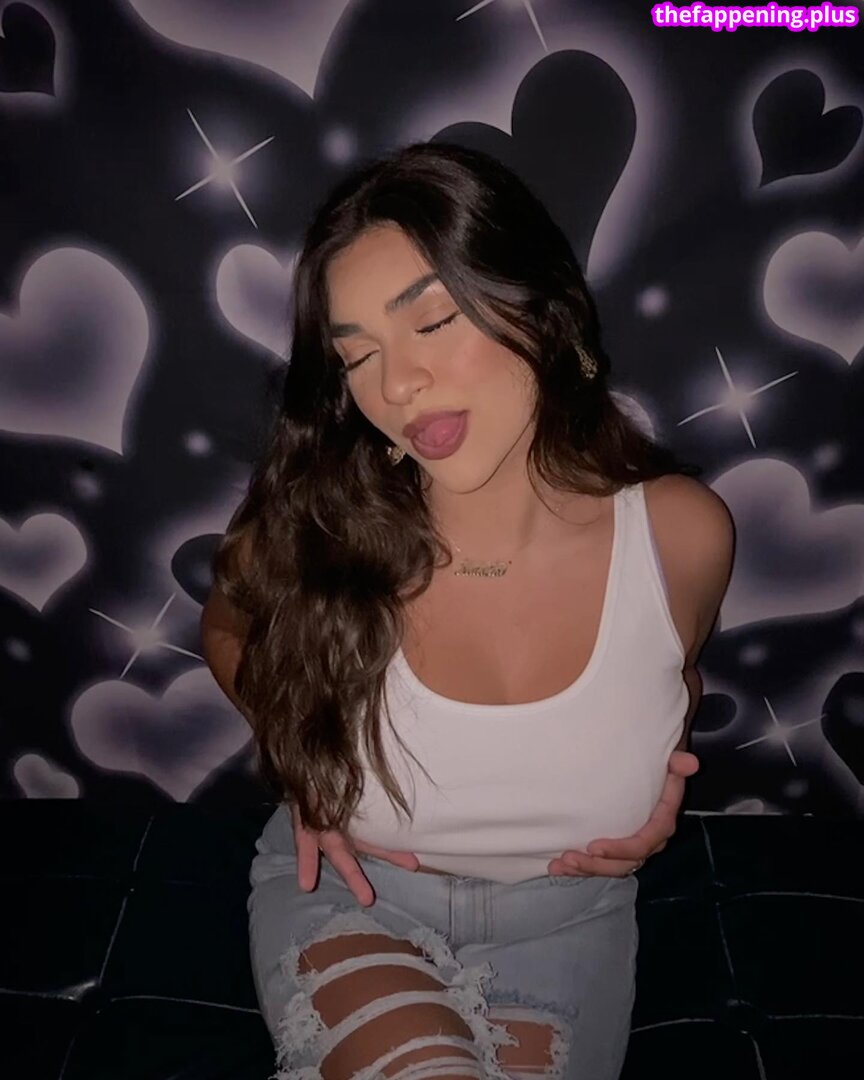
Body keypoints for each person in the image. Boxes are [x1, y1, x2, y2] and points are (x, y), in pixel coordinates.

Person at [200, 142, 734, 1080]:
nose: (396, 385)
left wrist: (658, 772)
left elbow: (670, 673)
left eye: (434, 320)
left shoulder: (681, 535)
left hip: (568, 929)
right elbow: (227, 626)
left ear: (541, 309)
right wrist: (299, 757)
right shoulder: (326, 521)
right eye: (357, 355)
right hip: (354, 900)